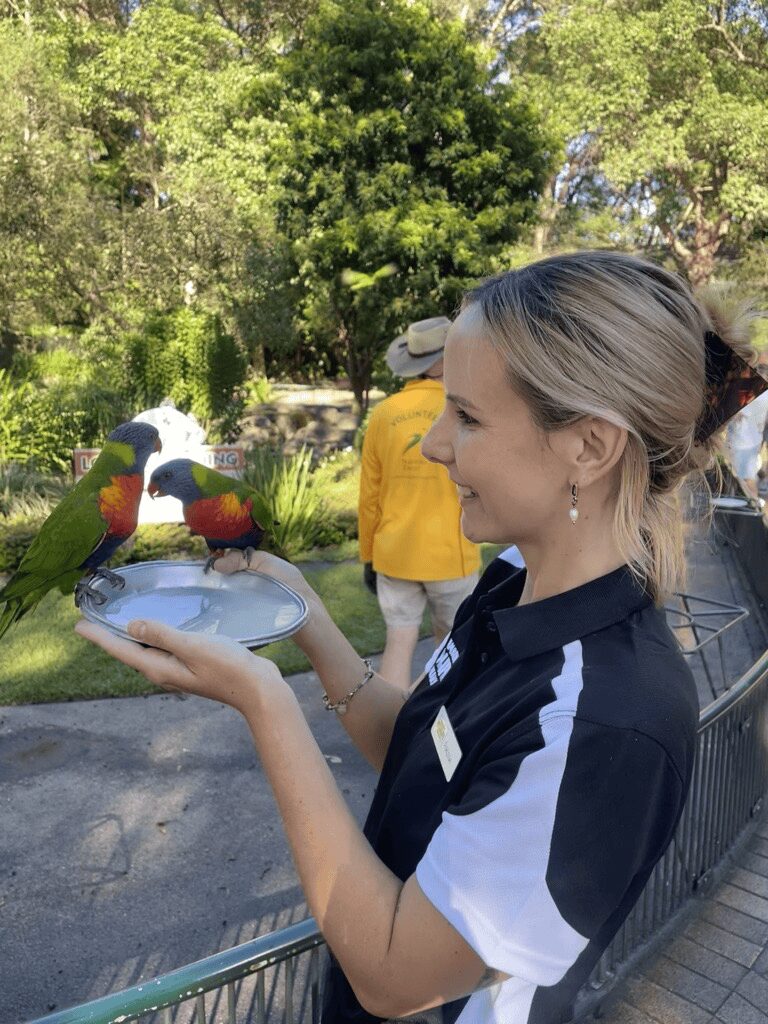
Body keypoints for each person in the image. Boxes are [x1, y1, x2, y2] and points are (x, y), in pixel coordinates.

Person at [76, 250, 762, 1024]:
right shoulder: (513, 577)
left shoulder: (605, 723)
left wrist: (264, 703)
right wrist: (308, 621)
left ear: (590, 448)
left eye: (466, 416)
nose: (435, 445)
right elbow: (426, 756)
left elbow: (398, 978)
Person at [359, 316, 480, 690]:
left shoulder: (383, 414)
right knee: (451, 649)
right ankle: (430, 728)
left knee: (398, 640)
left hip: (395, 553)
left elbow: (369, 496)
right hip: (451, 553)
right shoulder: (467, 412)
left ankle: (389, 722)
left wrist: (368, 555)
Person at [726, 378, 768, 501]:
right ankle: (756, 500)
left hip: (745, 441)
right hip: (747, 440)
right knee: (747, 476)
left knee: (747, 476)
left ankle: (756, 501)